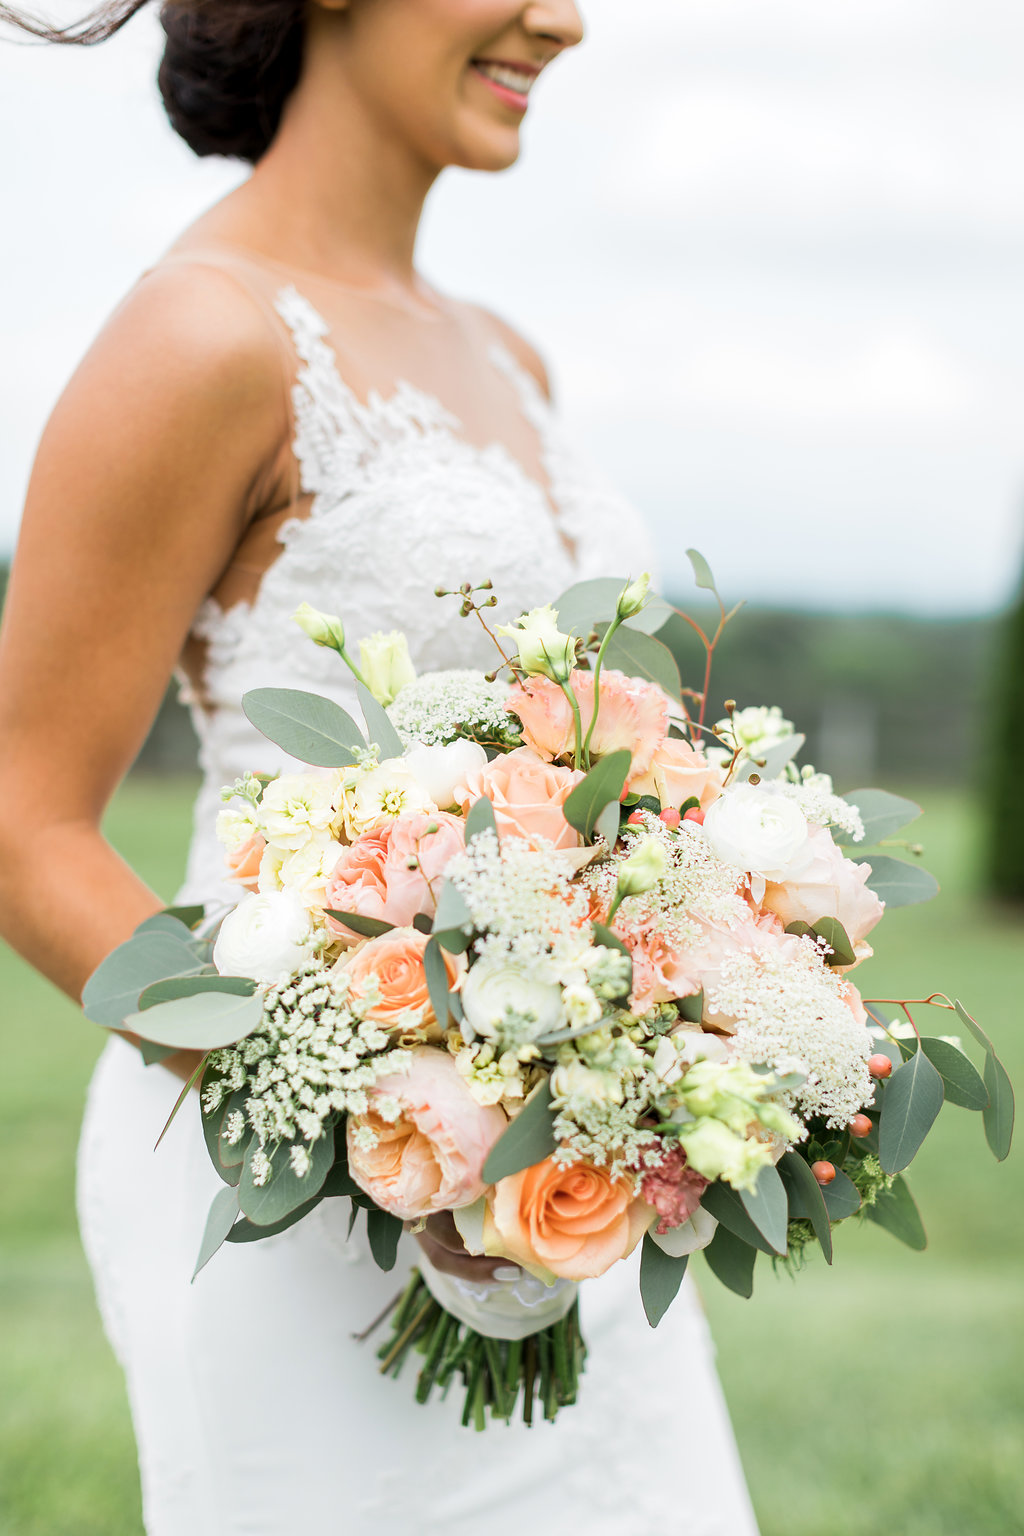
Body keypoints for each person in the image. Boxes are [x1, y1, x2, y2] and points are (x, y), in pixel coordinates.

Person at [0, 3, 761, 1532]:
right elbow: (27, 825)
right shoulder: (201, 334)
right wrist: (380, 1117)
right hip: (280, 1183)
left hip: (561, 1196)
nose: (564, 19)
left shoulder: (508, 352)